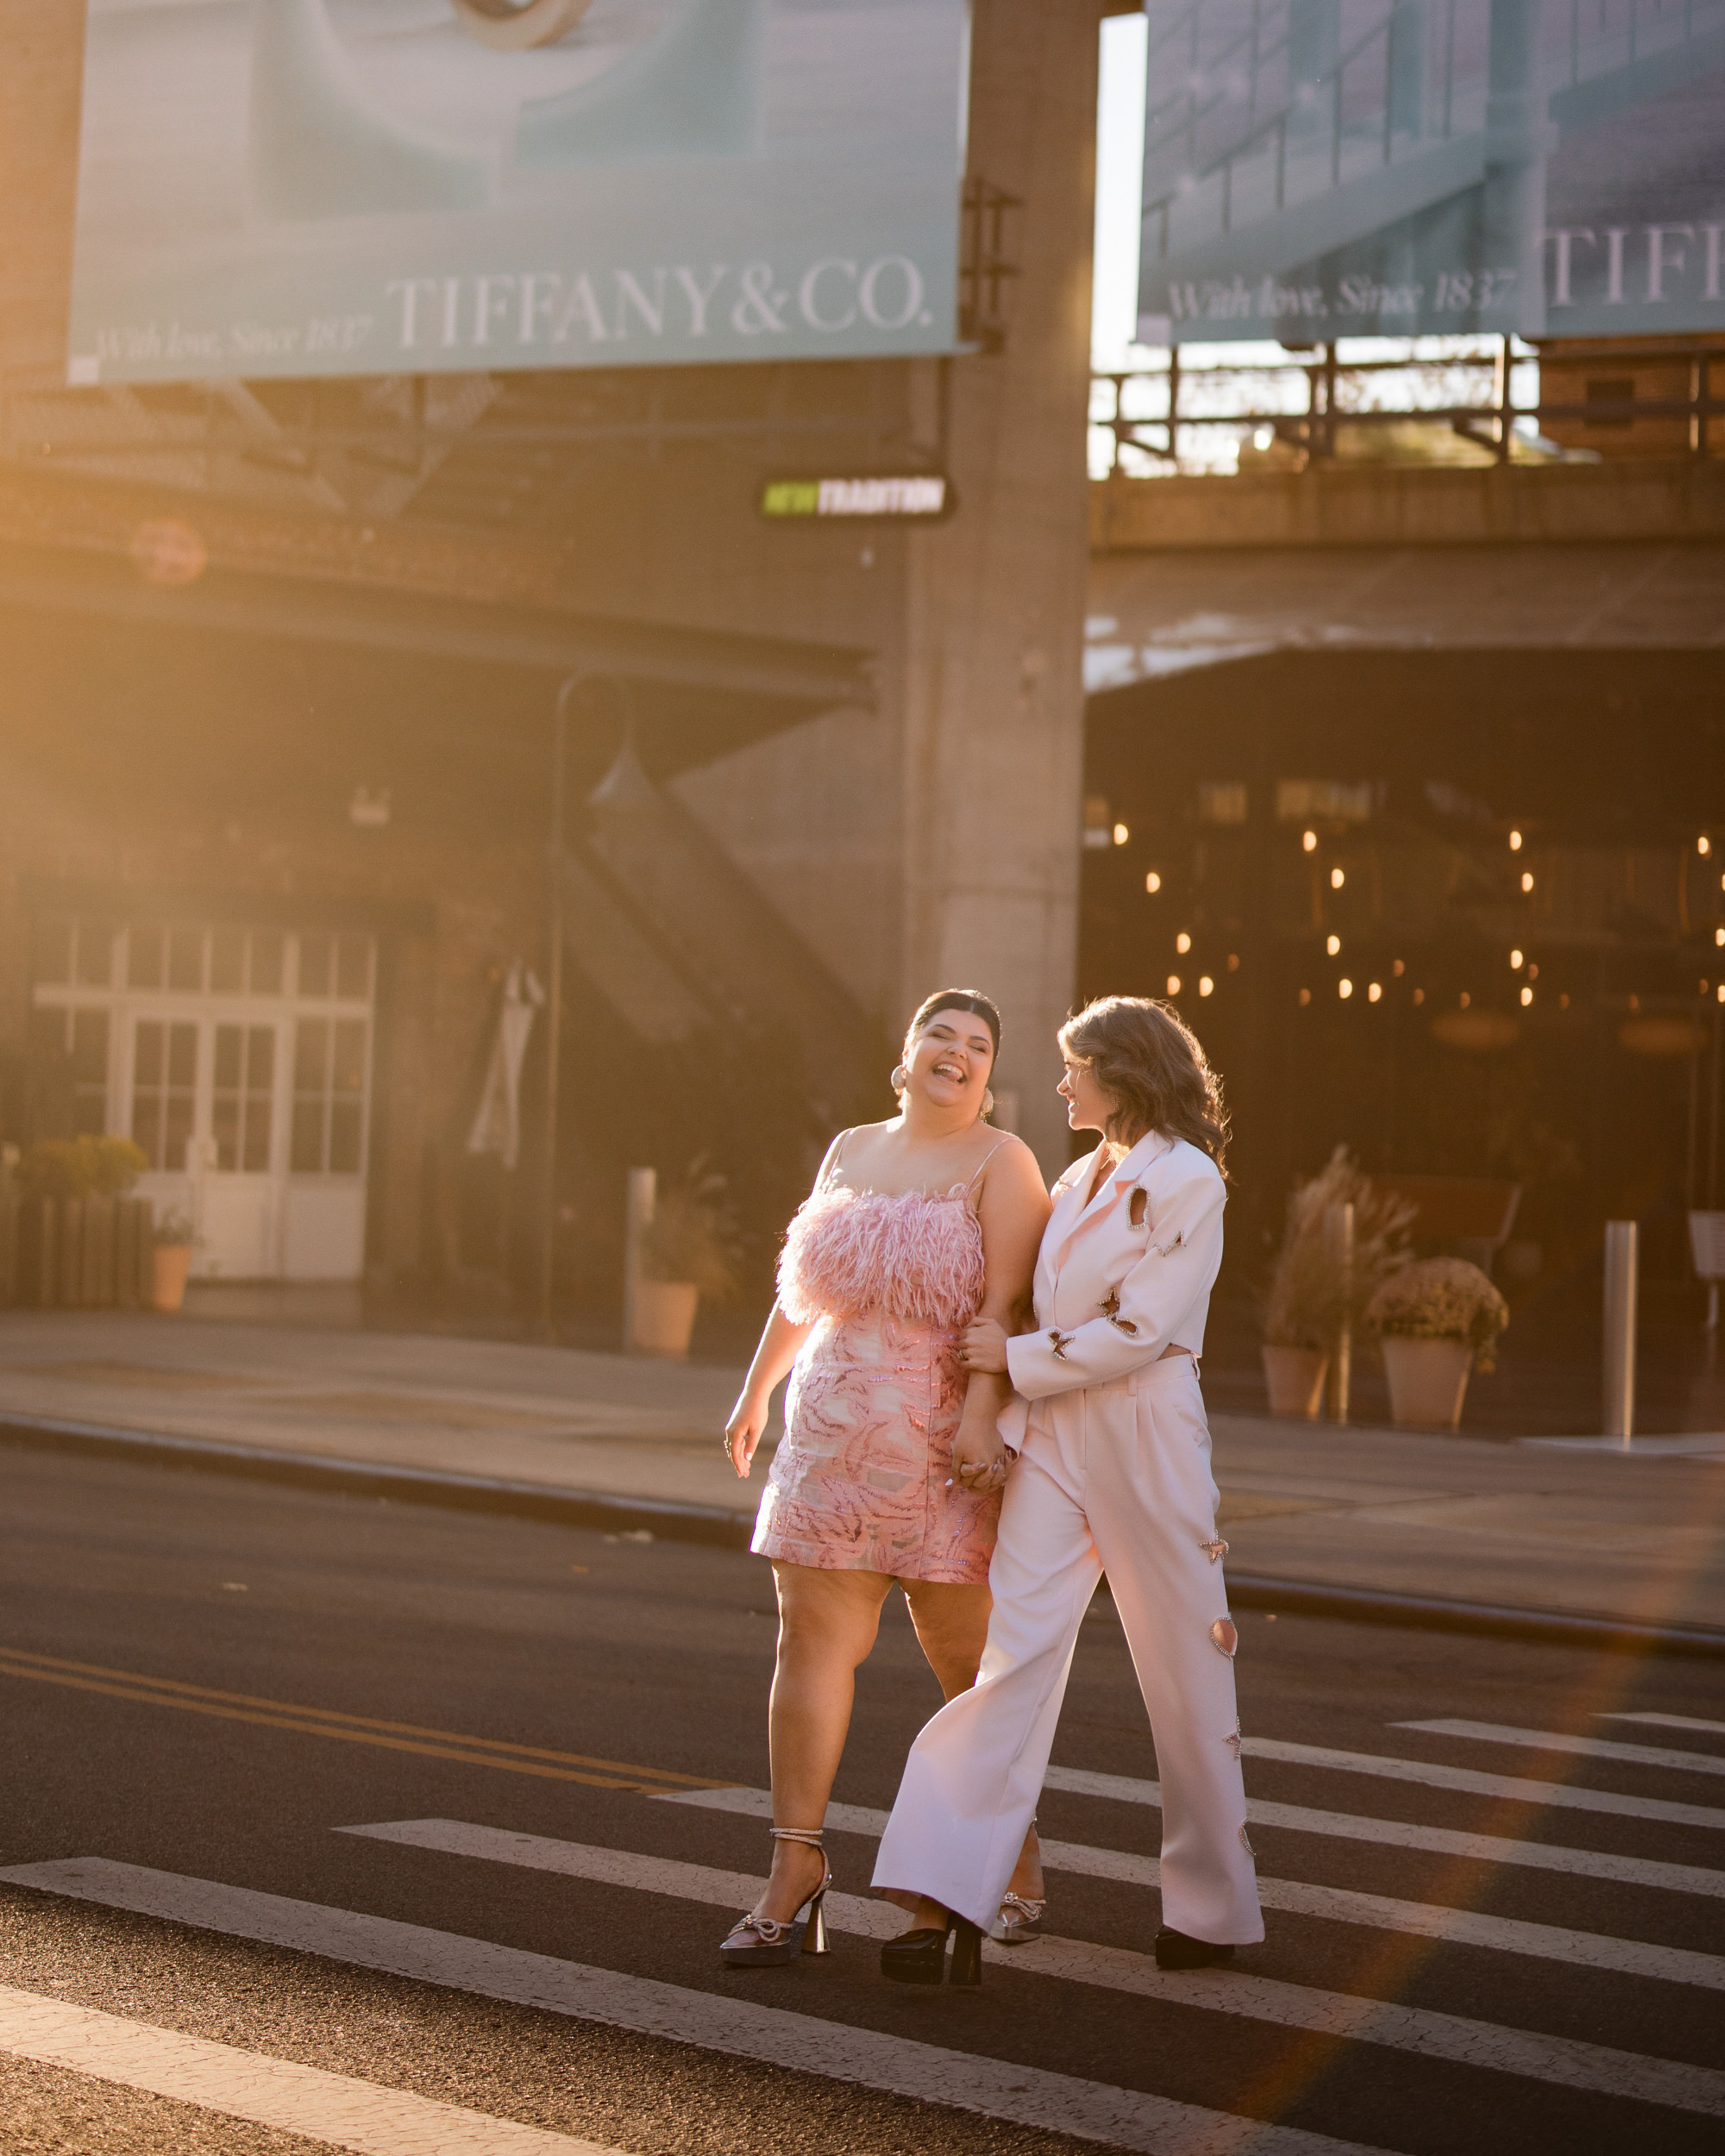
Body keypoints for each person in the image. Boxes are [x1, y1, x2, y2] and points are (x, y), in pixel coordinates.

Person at [871, 994, 1262, 1988]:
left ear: (1120, 1072)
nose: (1059, 1084)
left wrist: (1013, 1358)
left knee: (1184, 1672)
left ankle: (1209, 1910)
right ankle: (942, 1893)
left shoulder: (1190, 1179)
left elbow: (1141, 1329)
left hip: (1145, 1434)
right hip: (1053, 1437)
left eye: (1073, 1067)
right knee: (1012, 1659)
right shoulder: (1081, 1172)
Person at [718, 989, 1052, 1968]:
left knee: (966, 1671)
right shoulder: (847, 1149)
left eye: (976, 1045)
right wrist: (753, 1391)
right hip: (823, 1447)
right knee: (810, 1648)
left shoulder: (1003, 1161)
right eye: (938, 1036)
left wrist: (984, 1426)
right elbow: (800, 1292)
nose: (955, 1053)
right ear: (905, 1055)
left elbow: (1006, 1313)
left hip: (943, 1457)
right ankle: (794, 1868)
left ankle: (1013, 1858)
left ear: (989, 1073)